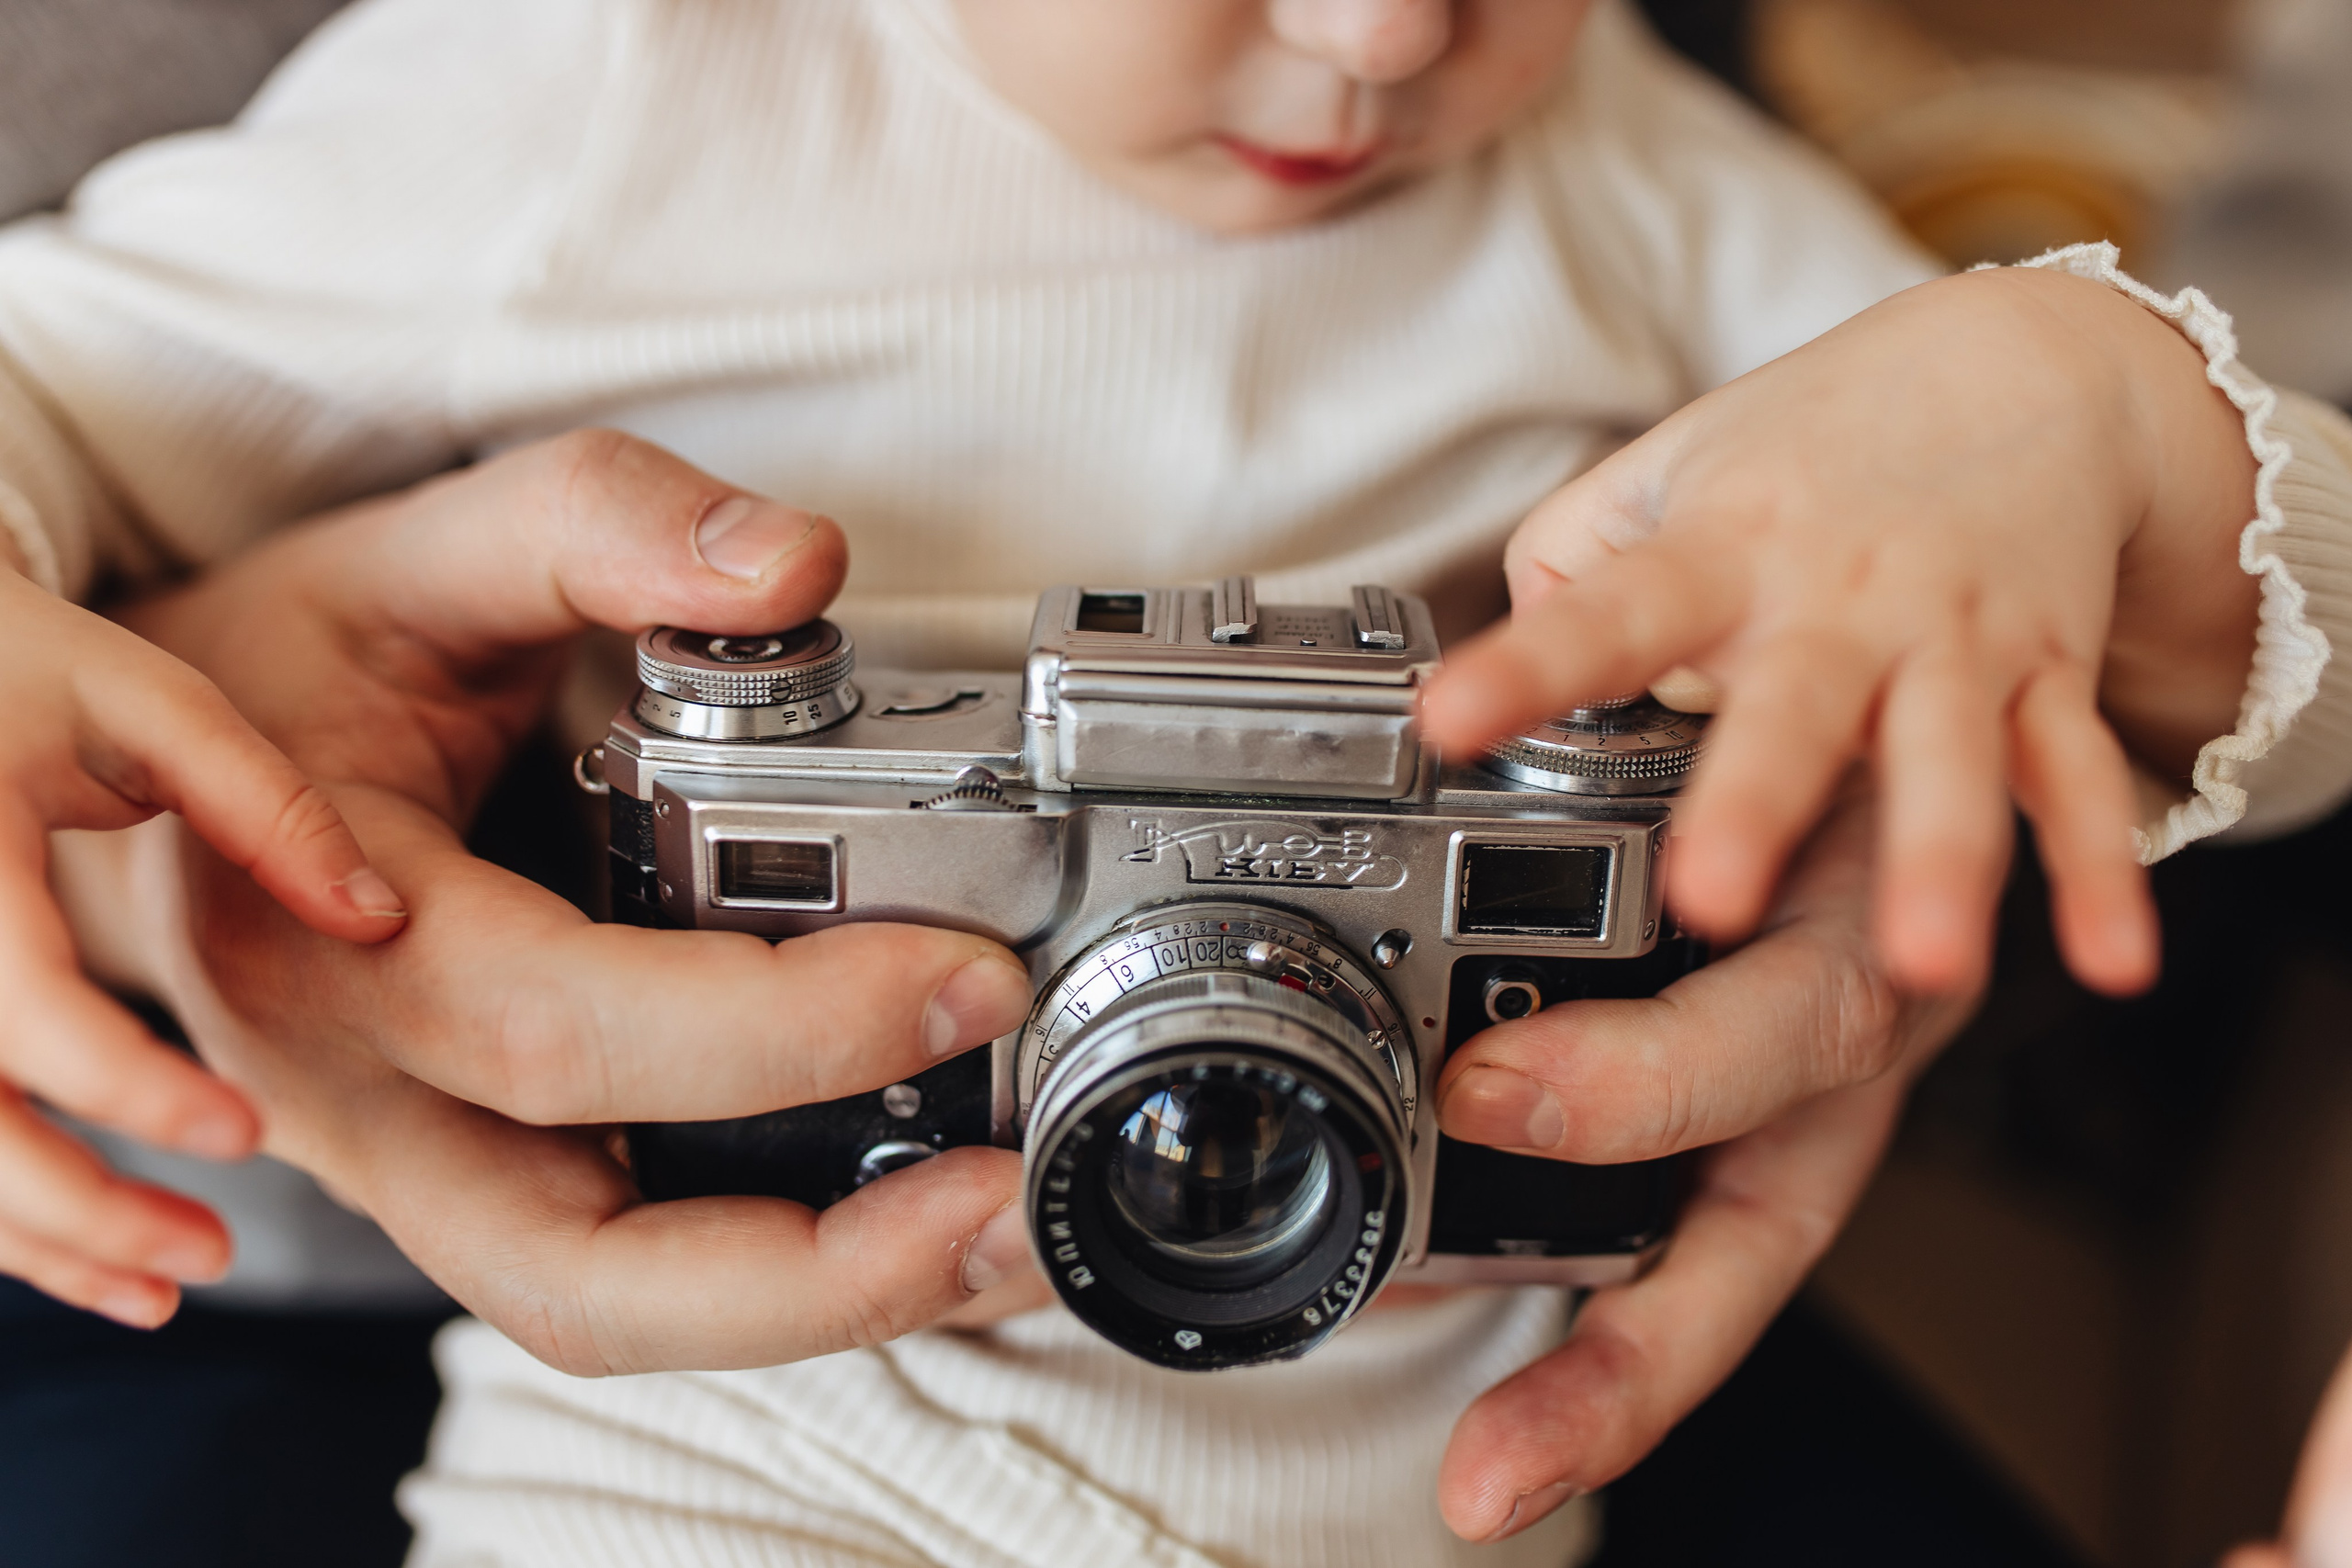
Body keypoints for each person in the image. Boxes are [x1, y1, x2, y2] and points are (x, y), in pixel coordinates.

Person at [4, 0, 2351, 1562]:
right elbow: (59, 366)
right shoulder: (601, 84)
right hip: (726, 1430)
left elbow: (2219, 720)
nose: (1381, 37)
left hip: (1426, 1457)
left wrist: (2097, 415)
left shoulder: (1632, 172)